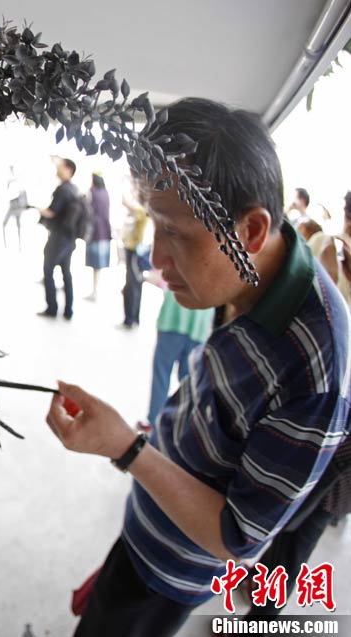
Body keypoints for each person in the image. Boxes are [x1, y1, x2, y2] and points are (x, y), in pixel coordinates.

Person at [46, 98, 350, 637]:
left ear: (251, 230)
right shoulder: (249, 271)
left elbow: (238, 539)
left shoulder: (314, 369)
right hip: (151, 516)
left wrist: (127, 448)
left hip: (174, 566)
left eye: (177, 233)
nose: (155, 257)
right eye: (154, 226)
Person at [142, 287, 213, 429]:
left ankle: (154, 422)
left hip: (173, 320)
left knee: (162, 374)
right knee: (189, 383)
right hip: (199, 328)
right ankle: (180, 427)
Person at [38, 157, 79, 319]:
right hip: (70, 238)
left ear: (69, 170)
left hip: (58, 237)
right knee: (66, 273)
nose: (57, 169)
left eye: (61, 166)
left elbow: (52, 212)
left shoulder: (63, 190)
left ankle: (52, 308)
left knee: (48, 270)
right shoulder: (74, 189)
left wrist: (37, 208)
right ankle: (68, 310)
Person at [119, 194, 148, 328]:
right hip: (136, 251)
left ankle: (130, 319)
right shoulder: (143, 209)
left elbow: (133, 208)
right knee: (135, 285)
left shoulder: (142, 210)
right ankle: (133, 318)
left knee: (132, 286)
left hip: (135, 251)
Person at [84, 173, 111, 301]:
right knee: (98, 265)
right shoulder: (105, 192)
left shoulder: (92, 192)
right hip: (105, 231)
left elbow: (87, 210)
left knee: (95, 263)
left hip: (95, 231)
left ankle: (94, 291)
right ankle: (95, 290)